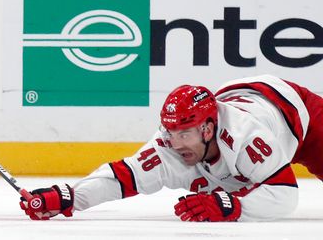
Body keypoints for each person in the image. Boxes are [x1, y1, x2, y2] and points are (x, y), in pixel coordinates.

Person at [20, 74, 323, 222]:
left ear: (207, 129)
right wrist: (71, 197)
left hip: (297, 116)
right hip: (246, 100)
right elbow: (125, 177)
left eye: (184, 134)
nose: (174, 143)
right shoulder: (169, 144)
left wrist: (234, 207)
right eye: (170, 132)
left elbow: (285, 195)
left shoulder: (245, 136)